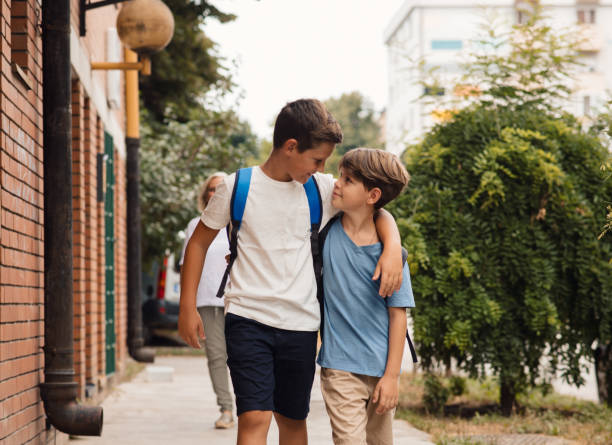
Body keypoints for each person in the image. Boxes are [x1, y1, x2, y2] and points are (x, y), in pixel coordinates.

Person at [178, 99, 405, 445]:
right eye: (317, 160)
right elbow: (197, 243)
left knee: (292, 421)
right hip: (247, 317)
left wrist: (391, 247)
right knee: (254, 417)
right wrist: (187, 306)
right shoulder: (237, 187)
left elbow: (374, 209)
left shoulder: (321, 189)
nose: (322, 168)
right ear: (290, 147)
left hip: (300, 325)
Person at [317, 147, 414, 445]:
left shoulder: (392, 258)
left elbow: (398, 315)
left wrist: (392, 377)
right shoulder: (327, 228)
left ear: (372, 195)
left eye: (347, 180)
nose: (337, 183)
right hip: (340, 367)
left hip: (380, 369)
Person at [178, 172, 234, 429]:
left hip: (239, 300)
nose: (215, 193)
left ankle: (250, 407)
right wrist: (187, 307)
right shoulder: (195, 224)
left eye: (220, 188)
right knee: (216, 356)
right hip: (207, 301)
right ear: (206, 194)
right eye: (211, 189)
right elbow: (186, 265)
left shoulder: (239, 222)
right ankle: (226, 408)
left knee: (244, 356)